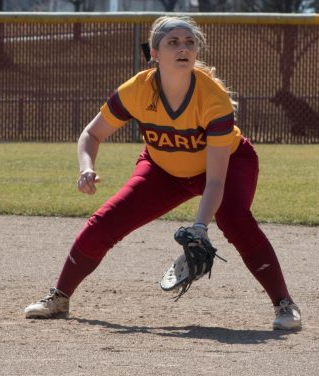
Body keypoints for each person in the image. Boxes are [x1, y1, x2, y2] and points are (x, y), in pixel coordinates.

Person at [24, 16, 301, 331]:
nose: (183, 48)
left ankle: (284, 304)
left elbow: (215, 179)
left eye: (189, 43)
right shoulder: (138, 90)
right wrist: (86, 167)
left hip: (227, 164)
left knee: (235, 219)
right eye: (173, 43)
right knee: (106, 221)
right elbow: (91, 134)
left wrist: (200, 227)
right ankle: (59, 298)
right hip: (162, 169)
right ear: (154, 54)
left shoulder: (213, 97)